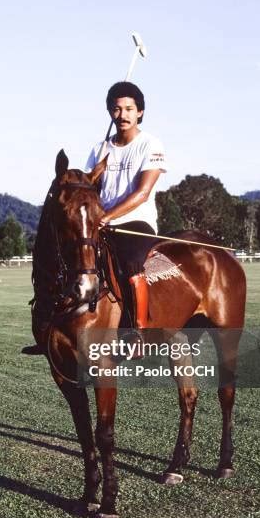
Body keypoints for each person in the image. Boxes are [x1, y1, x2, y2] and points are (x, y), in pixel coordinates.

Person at [85, 81, 167, 333]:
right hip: (103, 222)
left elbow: (142, 193)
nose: (123, 115)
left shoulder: (150, 144)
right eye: (117, 109)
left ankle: (137, 330)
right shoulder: (99, 149)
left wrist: (108, 215)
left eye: (129, 109)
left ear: (140, 112)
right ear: (110, 112)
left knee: (131, 264)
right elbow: (89, 190)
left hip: (136, 223)